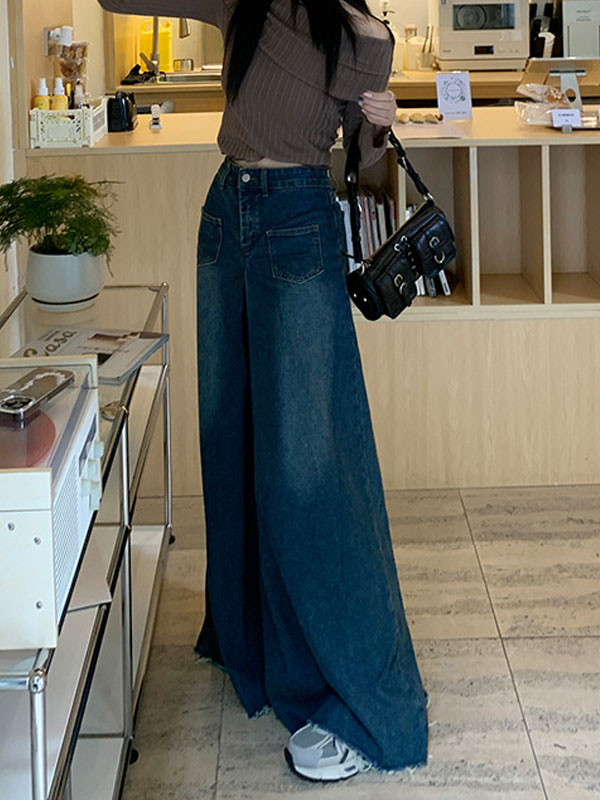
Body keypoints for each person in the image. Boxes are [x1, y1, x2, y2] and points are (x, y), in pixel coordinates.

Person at [98, 0, 428, 783]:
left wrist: (380, 121)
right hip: (225, 215)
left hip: (295, 222)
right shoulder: (243, 2)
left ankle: (354, 699)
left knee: (310, 469)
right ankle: (250, 637)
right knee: (232, 434)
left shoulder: (363, 36)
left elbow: (363, 155)